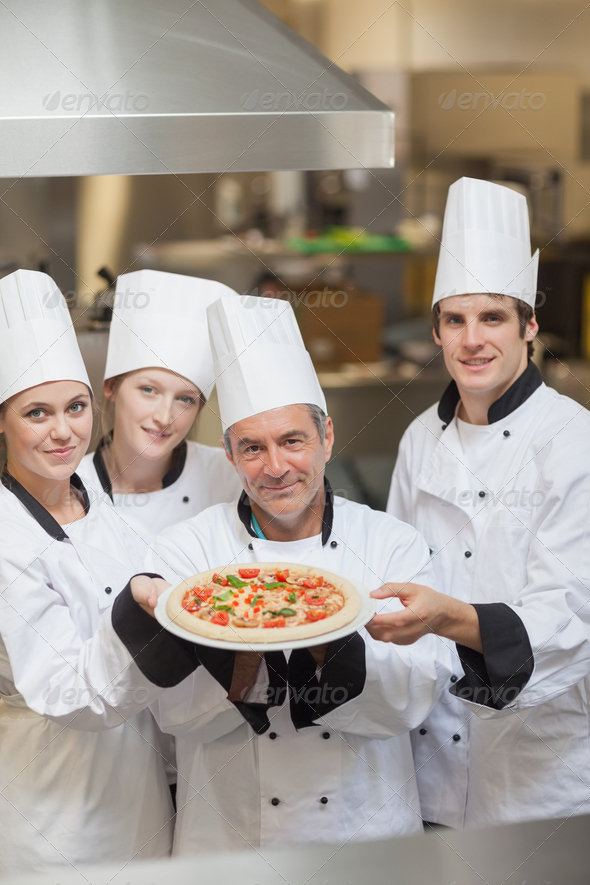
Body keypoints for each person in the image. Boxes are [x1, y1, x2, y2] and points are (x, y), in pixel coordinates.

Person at [112, 295, 452, 855]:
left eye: (292, 441)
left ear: (327, 439)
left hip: (364, 830)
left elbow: (415, 697)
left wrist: (319, 641)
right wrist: (255, 647)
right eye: (252, 447)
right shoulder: (187, 548)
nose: (274, 467)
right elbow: (170, 711)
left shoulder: (390, 543)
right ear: (228, 454)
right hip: (230, 836)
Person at [374, 177, 590, 829]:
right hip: (433, 766)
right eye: (455, 319)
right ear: (436, 331)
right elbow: (397, 577)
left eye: (492, 317)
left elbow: (569, 619)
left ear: (528, 324)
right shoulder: (419, 439)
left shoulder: (572, 438)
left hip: (539, 775)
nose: (473, 339)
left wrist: (447, 615)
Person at [0, 270, 175, 874]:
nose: (63, 431)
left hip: (139, 792)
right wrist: (145, 613)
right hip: (50, 801)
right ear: (1, 420)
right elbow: (60, 691)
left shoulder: (97, 499)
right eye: (36, 413)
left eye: (75, 407)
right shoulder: (5, 535)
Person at [78, 269, 242, 557]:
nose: (165, 417)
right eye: (148, 390)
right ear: (111, 388)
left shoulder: (232, 477)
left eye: (185, 399)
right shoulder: (70, 485)